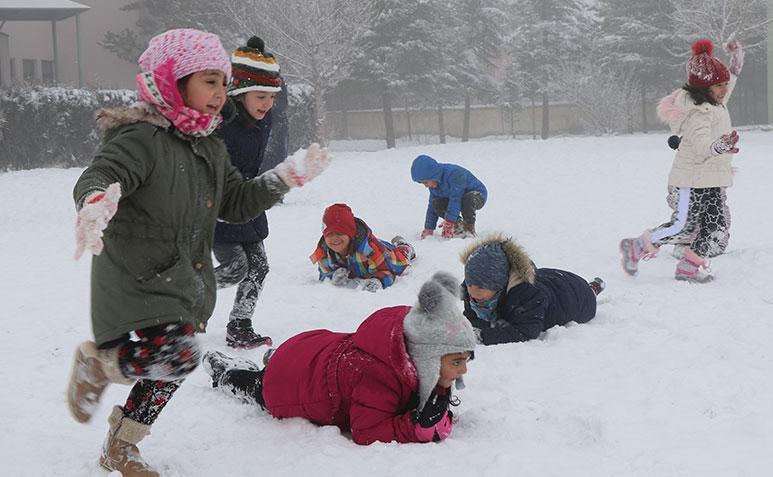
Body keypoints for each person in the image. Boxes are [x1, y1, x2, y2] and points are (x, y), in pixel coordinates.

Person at [65, 29, 330, 477]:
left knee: (174, 364)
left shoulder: (208, 144)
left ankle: (121, 446)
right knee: (180, 355)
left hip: (182, 278)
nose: (220, 93)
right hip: (137, 276)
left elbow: (235, 203)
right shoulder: (140, 138)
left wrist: (284, 176)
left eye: (223, 82)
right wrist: (95, 202)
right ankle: (99, 363)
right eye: (210, 81)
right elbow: (103, 173)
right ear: (172, 79)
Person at [202, 272, 477, 445]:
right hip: (289, 384)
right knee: (258, 386)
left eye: (466, 359)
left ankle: (276, 359)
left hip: (311, 348)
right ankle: (226, 373)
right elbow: (366, 431)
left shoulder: (406, 338)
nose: (463, 369)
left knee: (288, 363)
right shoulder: (379, 375)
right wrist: (411, 427)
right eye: (456, 362)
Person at [621, 38, 743, 283]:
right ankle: (635, 247)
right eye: (719, 85)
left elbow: (729, 80)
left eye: (725, 85)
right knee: (683, 226)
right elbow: (700, 146)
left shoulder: (716, 104)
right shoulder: (698, 112)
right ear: (704, 88)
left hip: (710, 180)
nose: (724, 90)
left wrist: (736, 62)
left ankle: (689, 266)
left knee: (716, 226)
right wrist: (719, 146)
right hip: (690, 180)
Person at [214, 36, 283, 349]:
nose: (267, 103)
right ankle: (180, 299)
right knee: (233, 268)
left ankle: (240, 324)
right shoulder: (219, 120)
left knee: (259, 265)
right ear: (239, 93)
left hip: (249, 200)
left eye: (271, 96)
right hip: (218, 205)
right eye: (260, 95)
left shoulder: (263, 117)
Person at [460, 234, 603, 345]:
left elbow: (525, 331)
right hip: (549, 278)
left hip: (577, 296)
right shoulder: (471, 289)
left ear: (500, 285)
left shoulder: (529, 296)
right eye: (470, 285)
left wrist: (482, 336)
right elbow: (471, 318)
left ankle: (593, 288)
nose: (473, 292)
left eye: (481, 287)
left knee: (588, 293)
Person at [310, 203, 415, 292]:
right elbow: (324, 274)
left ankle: (403, 245)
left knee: (401, 258)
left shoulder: (369, 250)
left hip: (386, 255)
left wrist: (378, 280)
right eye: (329, 234)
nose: (334, 238)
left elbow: (387, 272)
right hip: (370, 253)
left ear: (350, 233)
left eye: (339, 233)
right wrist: (332, 276)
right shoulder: (323, 251)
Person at [410, 154, 487, 239]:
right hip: (456, 198)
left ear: (433, 175)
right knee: (436, 203)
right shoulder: (434, 185)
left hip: (476, 195)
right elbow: (431, 207)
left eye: (426, 182)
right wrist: (429, 228)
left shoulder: (455, 174)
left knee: (467, 200)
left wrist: (449, 221)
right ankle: (458, 225)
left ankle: (469, 228)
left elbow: (455, 198)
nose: (426, 186)